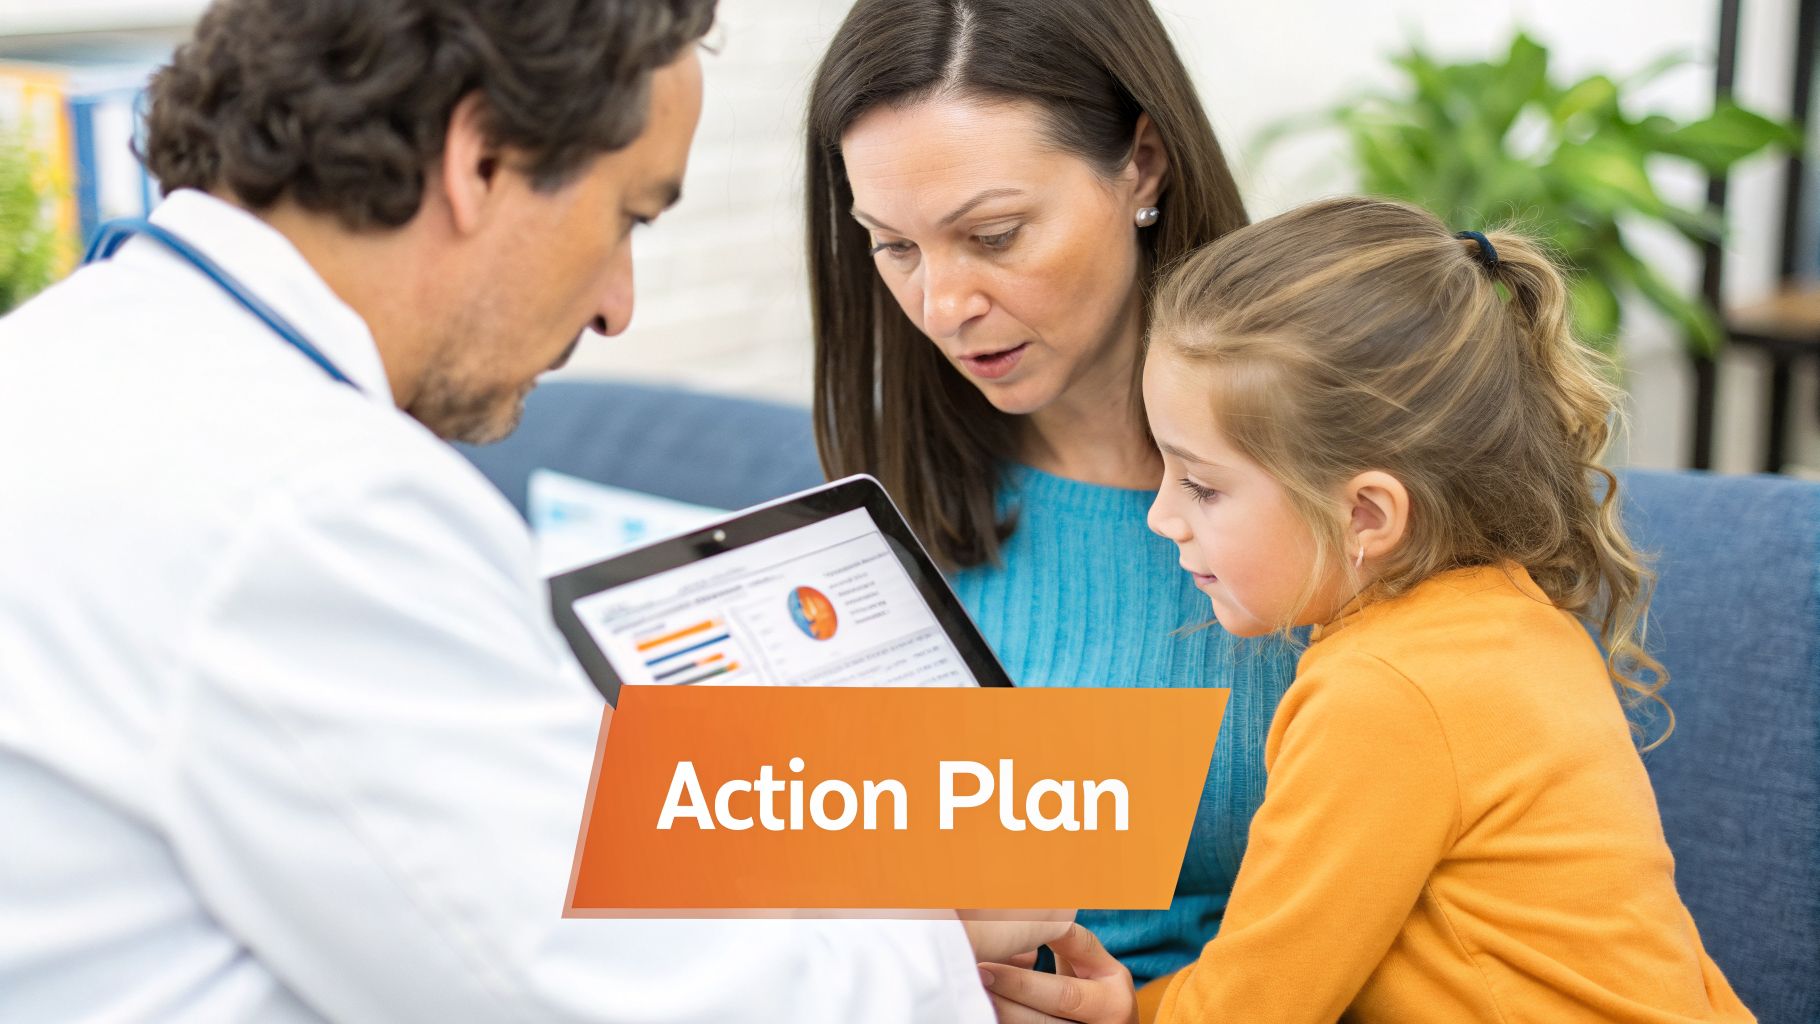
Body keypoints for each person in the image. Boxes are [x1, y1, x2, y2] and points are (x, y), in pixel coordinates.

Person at [0, 1, 1056, 1020]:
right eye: (624, 218)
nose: (616, 304)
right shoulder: (308, 506)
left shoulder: (62, 362)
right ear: (481, 160)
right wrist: (937, 929)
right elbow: (636, 997)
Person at [975, 197, 1755, 1022]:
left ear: (1368, 517)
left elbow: (1253, 1011)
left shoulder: (1380, 693)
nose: (1161, 516)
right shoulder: (1506, 614)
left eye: (1201, 485)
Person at [804, 0, 1301, 984]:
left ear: (1142, 165)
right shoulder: (887, 486)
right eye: (892, 245)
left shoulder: (1332, 481)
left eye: (992, 234)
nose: (940, 307)